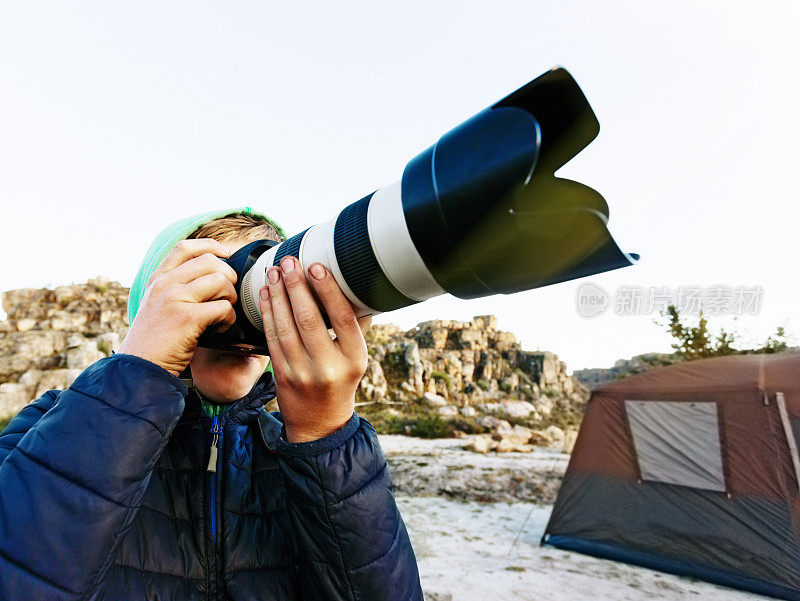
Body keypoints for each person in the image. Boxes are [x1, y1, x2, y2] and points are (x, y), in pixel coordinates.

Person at [0, 208, 423, 600]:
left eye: (258, 295)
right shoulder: (54, 421)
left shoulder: (299, 452)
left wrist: (326, 437)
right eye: (213, 292)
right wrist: (138, 373)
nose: (240, 317)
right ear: (150, 312)